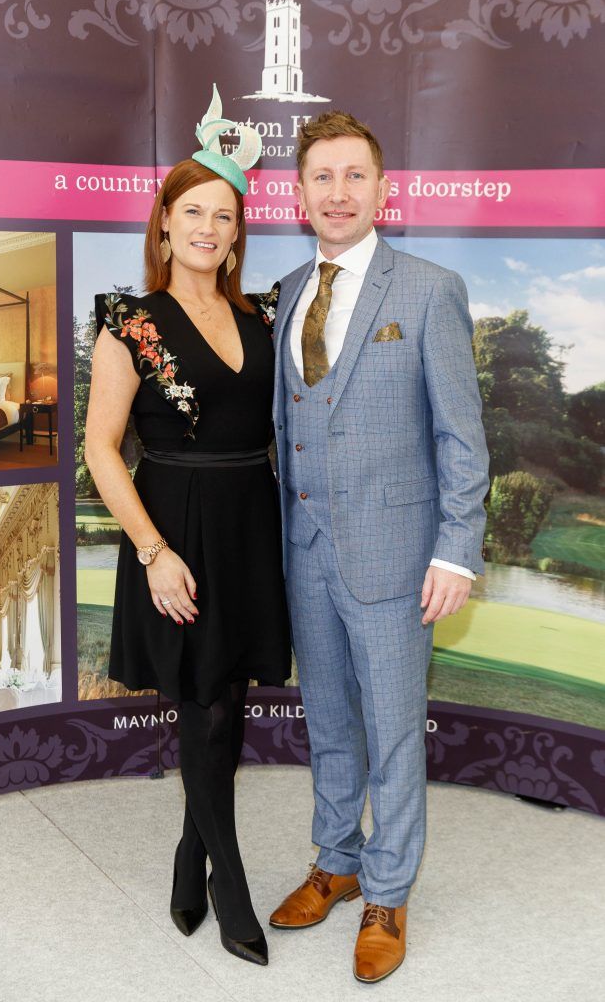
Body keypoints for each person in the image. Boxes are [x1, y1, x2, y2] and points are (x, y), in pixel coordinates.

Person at [268, 112, 490, 983]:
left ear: (382, 189)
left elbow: (461, 439)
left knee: (393, 733)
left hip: (397, 555)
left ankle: (388, 893)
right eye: (321, 177)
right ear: (299, 194)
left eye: (353, 176)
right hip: (306, 552)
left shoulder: (429, 289)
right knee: (326, 722)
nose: (337, 192)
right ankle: (335, 860)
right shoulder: (286, 291)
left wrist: (455, 550)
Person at [85, 88, 291, 967]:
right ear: (164, 223)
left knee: (229, 701)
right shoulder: (129, 321)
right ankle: (228, 880)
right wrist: (153, 552)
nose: (208, 227)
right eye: (192, 210)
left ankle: (188, 850)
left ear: (239, 232)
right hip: (173, 529)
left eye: (224, 214)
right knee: (204, 708)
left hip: (249, 524)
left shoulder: (262, 318)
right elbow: (100, 447)